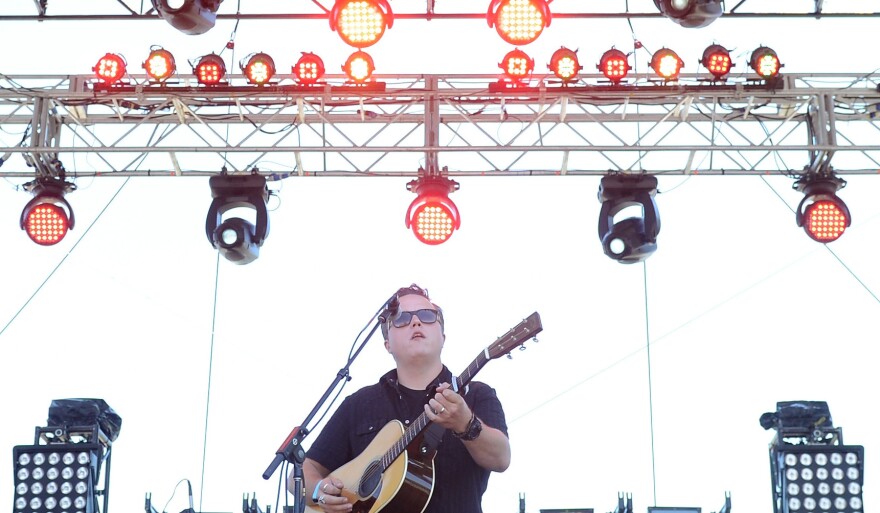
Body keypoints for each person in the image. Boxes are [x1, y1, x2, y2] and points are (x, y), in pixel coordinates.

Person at [289, 284, 511, 513]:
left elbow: (501, 458)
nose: (416, 322)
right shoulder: (358, 404)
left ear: (443, 337)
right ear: (387, 344)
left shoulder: (475, 395)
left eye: (427, 315)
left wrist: (466, 424)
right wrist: (318, 491)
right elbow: (303, 471)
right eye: (402, 319)